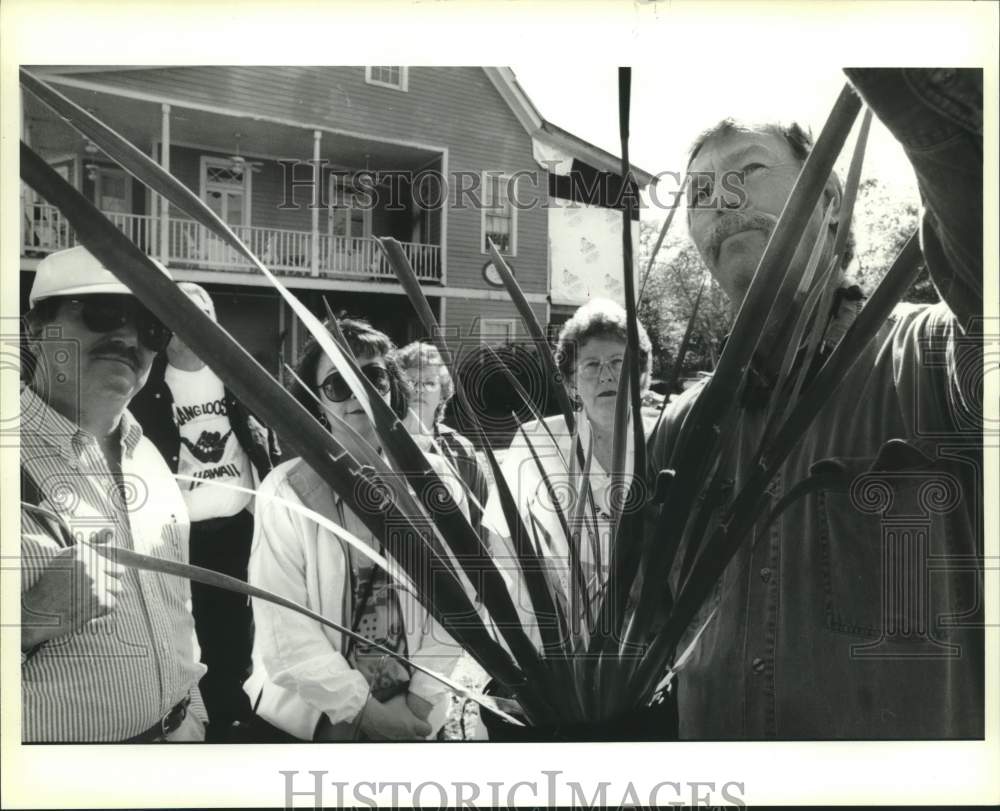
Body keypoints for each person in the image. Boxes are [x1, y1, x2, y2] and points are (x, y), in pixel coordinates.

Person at [647, 69, 982, 739]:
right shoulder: (682, 429)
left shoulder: (938, 358)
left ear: (829, 197)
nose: (722, 199)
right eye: (701, 192)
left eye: (748, 169)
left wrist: (914, 82)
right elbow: (650, 637)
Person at [243, 317, 463, 741]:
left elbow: (460, 600)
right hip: (319, 722)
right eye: (337, 385)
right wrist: (359, 711)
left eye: (373, 376)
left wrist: (416, 703)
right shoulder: (287, 489)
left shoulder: (433, 480)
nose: (356, 393)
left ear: (393, 388)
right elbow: (283, 623)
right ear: (316, 400)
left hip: (417, 717)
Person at [20, 245, 207, 742]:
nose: (127, 337)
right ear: (35, 328)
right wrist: (29, 619)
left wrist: (193, 714)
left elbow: (175, 608)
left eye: (150, 329)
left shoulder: (148, 457)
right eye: (103, 313)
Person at [129, 282, 281, 741]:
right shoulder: (148, 385)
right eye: (182, 315)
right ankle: (195, 714)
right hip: (180, 531)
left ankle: (237, 713)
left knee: (241, 624)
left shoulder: (237, 376)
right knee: (183, 624)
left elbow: (266, 440)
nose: (195, 327)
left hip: (240, 521)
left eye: (204, 316)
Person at [486, 299, 659, 624]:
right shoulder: (538, 440)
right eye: (591, 365)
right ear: (570, 381)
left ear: (642, 374)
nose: (607, 376)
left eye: (619, 362)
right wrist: (542, 608)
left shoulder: (664, 436)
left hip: (650, 624)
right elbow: (503, 532)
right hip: (564, 622)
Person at [394, 340, 490, 538]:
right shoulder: (379, 441)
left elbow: (479, 527)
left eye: (429, 383)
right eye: (410, 382)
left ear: (443, 393)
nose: (419, 389)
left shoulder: (462, 450)